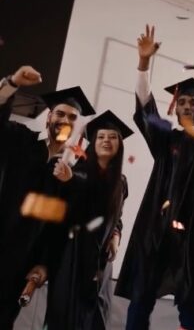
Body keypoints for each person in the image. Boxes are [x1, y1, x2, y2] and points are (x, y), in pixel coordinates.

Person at [116, 24, 194, 330]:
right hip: (156, 227)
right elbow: (145, 109)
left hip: (193, 231)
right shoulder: (164, 139)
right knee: (141, 298)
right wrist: (144, 63)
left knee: (190, 301)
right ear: (176, 106)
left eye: (193, 102)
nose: (187, 106)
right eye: (182, 101)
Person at [0, 66, 95, 329]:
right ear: (48, 119)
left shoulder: (78, 174)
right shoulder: (21, 142)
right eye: (59, 113)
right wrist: (11, 83)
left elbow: (65, 226)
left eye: (72, 117)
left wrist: (45, 263)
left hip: (22, 261)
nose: (65, 119)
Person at [44, 110, 132, 329]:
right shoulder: (77, 173)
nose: (106, 141)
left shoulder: (120, 182)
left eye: (113, 137)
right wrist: (67, 180)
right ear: (92, 143)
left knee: (95, 320)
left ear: (120, 145)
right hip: (72, 259)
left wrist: (116, 237)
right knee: (65, 318)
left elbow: (116, 218)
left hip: (101, 265)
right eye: (101, 136)